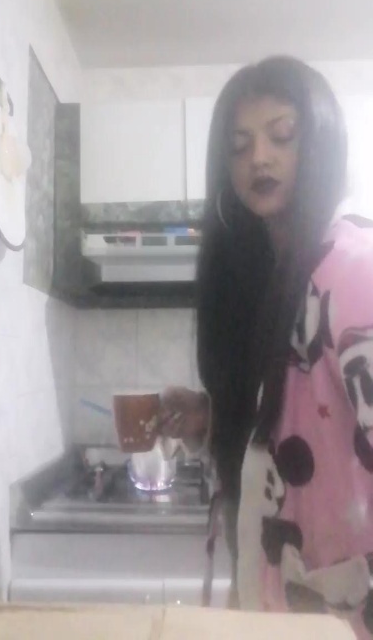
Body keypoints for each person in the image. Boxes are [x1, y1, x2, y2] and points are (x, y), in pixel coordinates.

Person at [160, 56, 373, 639]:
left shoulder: (355, 269)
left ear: (321, 143)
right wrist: (213, 417)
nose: (259, 157)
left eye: (282, 135)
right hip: (279, 609)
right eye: (239, 145)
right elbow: (293, 422)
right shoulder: (264, 279)